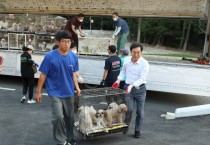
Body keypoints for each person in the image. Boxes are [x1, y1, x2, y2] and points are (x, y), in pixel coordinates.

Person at [35, 30, 80, 145]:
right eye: (64, 42)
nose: (66, 44)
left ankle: (70, 138)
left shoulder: (73, 57)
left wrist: (77, 88)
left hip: (69, 91)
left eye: (68, 42)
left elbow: (74, 74)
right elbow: (43, 75)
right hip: (55, 91)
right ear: (58, 42)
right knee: (58, 117)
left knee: (70, 117)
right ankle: (61, 140)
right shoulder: (50, 56)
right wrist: (38, 92)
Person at [112, 42, 149, 138]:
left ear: (141, 52)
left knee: (140, 112)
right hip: (128, 89)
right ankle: (126, 125)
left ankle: (137, 130)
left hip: (140, 90)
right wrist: (118, 80)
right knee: (129, 109)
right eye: (134, 52)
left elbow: (142, 78)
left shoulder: (144, 63)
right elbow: (123, 72)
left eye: (138, 52)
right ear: (130, 52)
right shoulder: (127, 60)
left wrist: (131, 85)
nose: (136, 55)